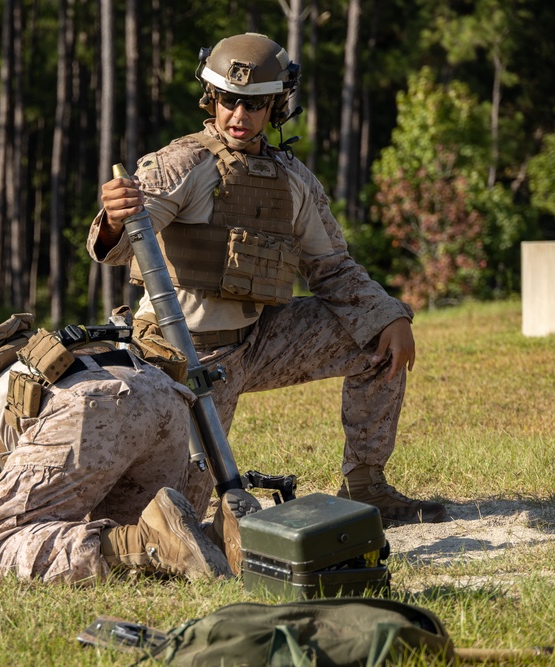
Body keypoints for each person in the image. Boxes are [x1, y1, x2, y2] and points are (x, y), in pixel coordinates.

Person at [88, 32, 447, 528]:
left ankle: (366, 484)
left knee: (374, 335)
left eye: (254, 104)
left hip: (256, 342)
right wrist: (114, 217)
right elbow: (122, 246)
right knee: (172, 516)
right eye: (229, 100)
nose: (239, 115)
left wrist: (390, 316)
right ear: (211, 99)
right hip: (180, 358)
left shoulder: (293, 179)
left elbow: (333, 269)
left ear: (276, 106)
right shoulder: (181, 164)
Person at [0, 323, 233, 583]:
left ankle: (159, 541)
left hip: (89, 404)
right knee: (135, 542)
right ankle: (221, 538)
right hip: (159, 391)